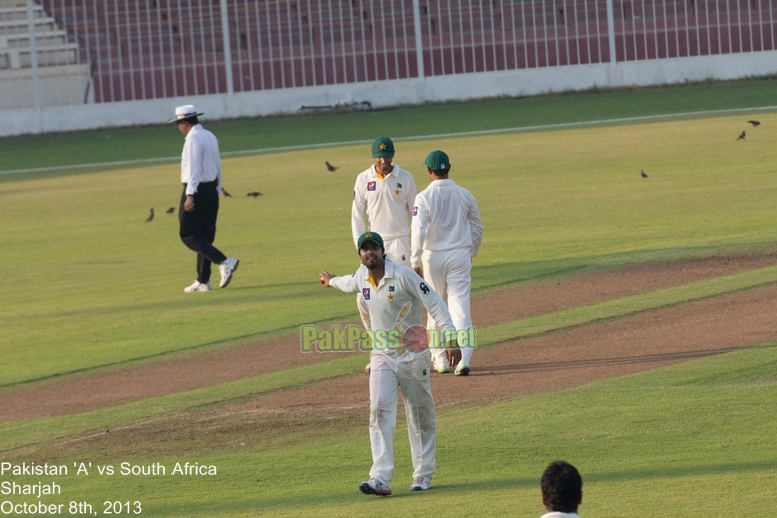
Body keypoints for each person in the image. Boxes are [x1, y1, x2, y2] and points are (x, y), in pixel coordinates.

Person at [319, 231, 459, 496]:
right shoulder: (362, 277)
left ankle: (422, 475)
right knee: (379, 411)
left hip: (413, 354)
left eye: (374, 248)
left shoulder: (405, 275)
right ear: (360, 256)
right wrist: (330, 281)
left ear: (383, 251)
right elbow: (347, 282)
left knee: (419, 415)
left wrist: (451, 338)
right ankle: (380, 477)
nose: (369, 252)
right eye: (365, 249)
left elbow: (436, 304)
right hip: (382, 355)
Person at [411, 150, 483, 375]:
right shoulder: (465, 194)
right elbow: (477, 227)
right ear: (448, 168)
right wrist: (471, 250)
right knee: (460, 307)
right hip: (460, 254)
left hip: (433, 257)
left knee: (435, 307)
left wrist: (414, 260)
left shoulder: (423, 197)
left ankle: (440, 359)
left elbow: (418, 230)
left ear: (429, 171)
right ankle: (465, 359)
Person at [169, 105, 239, 293]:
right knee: (204, 236)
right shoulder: (209, 135)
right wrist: (218, 189)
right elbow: (217, 165)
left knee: (189, 234)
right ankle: (203, 280)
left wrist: (190, 195)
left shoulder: (192, 139)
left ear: (184, 122)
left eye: (178, 123)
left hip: (197, 190)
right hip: (211, 189)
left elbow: (193, 168)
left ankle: (224, 261)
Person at [351, 137, 417, 329]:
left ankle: (407, 344)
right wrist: (361, 249)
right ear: (374, 157)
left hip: (400, 243)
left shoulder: (405, 178)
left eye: (387, 156)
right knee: (364, 297)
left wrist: (417, 251)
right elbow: (356, 217)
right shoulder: (363, 179)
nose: (383, 161)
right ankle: (379, 343)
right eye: (380, 157)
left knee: (402, 294)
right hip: (374, 247)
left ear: (393, 155)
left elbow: (416, 215)